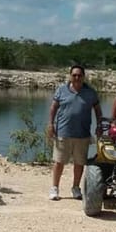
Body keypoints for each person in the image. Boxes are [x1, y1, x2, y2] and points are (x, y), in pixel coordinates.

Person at [47, 65, 103, 200]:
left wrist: (99, 125)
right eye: (74, 75)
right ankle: (55, 188)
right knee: (58, 162)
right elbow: (53, 107)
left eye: (79, 75)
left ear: (83, 76)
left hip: (82, 134)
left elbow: (97, 110)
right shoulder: (61, 90)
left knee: (79, 163)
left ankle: (76, 188)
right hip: (63, 132)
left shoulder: (90, 92)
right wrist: (50, 124)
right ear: (70, 75)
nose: (77, 77)